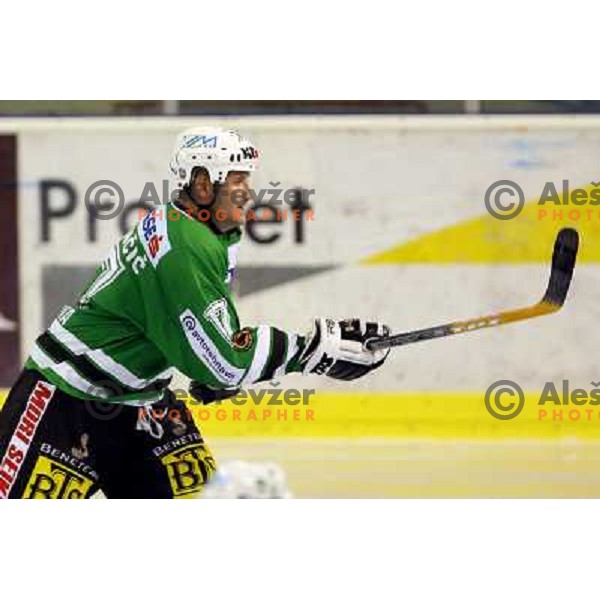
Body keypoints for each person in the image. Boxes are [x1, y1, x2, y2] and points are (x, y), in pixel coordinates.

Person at [0, 127, 391, 499]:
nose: (249, 195)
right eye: (238, 183)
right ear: (203, 185)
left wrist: (214, 366)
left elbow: (209, 338)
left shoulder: (209, 231)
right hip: (64, 401)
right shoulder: (184, 246)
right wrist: (312, 350)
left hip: (144, 403)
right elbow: (224, 362)